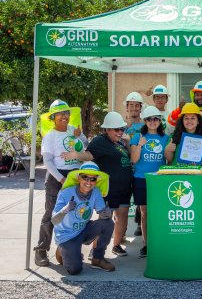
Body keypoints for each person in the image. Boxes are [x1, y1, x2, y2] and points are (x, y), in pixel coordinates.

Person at [62, 111, 132, 257]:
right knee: (105, 219)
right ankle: (96, 250)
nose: (120, 132)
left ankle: (116, 245)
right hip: (110, 189)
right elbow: (89, 155)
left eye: (122, 129)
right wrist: (77, 155)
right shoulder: (100, 141)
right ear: (106, 129)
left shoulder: (119, 143)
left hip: (124, 188)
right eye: (116, 129)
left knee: (123, 216)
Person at [33, 99, 88, 267]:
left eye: (66, 113)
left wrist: (81, 136)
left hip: (75, 175)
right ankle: (41, 250)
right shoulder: (50, 137)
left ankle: (67, 249)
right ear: (53, 117)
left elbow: (85, 146)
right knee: (52, 214)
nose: (64, 117)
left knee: (73, 213)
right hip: (57, 177)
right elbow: (48, 162)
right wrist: (62, 179)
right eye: (60, 114)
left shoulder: (73, 130)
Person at [52, 162, 115, 274]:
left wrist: (107, 213)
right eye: (85, 177)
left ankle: (97, 259)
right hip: (66, 236)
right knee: (74, 270)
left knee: (108, 223)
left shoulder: (96, 191)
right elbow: (54, 220)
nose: (89, 182)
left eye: (93, 179)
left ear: (96, 181)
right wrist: (65, 210)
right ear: (79, 178)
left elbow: (102, 212)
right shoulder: (65, 192)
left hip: (83, 230)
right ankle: (62, 250)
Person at [130, 106, 169, 257]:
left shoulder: (165, 138)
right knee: (145, 213)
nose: (152, 122)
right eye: (149, 119)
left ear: (160, 120)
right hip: (141, 179)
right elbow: (134, 159)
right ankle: (147, 244)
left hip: (159, 180)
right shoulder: (137, 137)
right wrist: (140, 144)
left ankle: (159, 241)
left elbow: (169, 160)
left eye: (155, 119)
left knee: (158, 213)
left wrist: (168, 150)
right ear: (145, 121)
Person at [122, 91, 144, 237]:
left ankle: (139, 224)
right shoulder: (120, 126)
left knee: (140, 199)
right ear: (126, 108)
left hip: (139, 166)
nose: (134, 108)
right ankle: (120, 232)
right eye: (131, 105)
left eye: (137, 106)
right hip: (123, 167)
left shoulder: (145, 126)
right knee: (123, 202)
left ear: (140, 108)